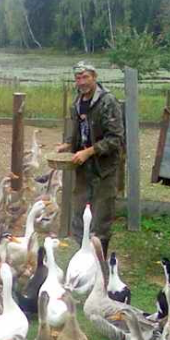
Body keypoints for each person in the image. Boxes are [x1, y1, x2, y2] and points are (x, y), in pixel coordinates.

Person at [57, 62, 123, 256]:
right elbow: (80, 133)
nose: (81, 82)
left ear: (94, 76)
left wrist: (89, 151)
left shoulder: (107, 101)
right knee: (78, 216)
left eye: (85, 77)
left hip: (105, 170)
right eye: (78, 78)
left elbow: (116, 139)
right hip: (83, 170)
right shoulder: (77, 103)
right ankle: (82, 258)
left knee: (101, 219)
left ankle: (100, 264)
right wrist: (68, 144)